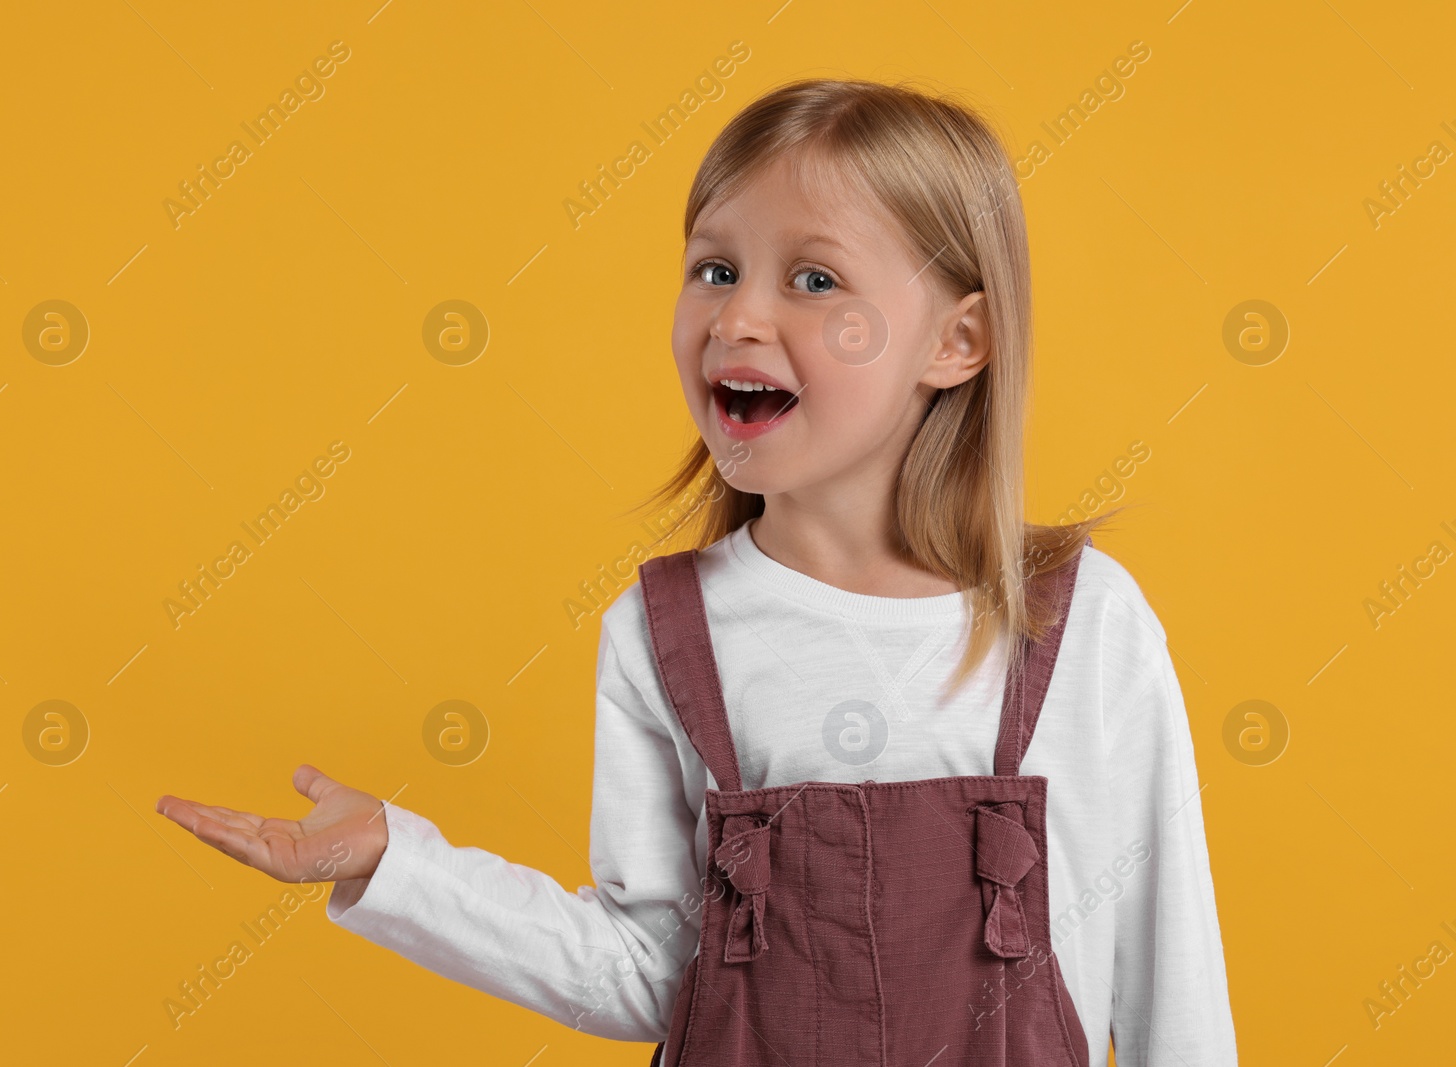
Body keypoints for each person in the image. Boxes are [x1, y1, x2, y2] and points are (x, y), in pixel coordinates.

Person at [157, 77, 1238, 1065]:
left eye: (813, 279)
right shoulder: (666, 632)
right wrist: (399, 863)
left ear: (955, 342)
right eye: (714, 268)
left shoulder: (1079, 622)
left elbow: (1169, 977)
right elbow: (647, 967)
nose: (737, 316)